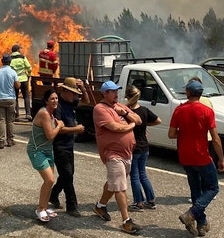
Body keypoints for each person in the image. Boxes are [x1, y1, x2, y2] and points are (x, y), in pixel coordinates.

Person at [169, 80, 224, 237]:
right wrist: (221, 158)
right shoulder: (206, 111)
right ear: (201, 94)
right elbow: (215, 138)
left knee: (195, 189)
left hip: (185, 156)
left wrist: (184, 133)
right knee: (213, 188)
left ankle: (201, 224)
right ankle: (192, 214)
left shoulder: (179, 110)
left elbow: (171, 134)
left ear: (188, 92)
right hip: (201, 156)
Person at [92, 80, 142, 235]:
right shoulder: (100, 109)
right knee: (120, 186)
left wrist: (126, 113)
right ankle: (126, 221)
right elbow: (115, 127)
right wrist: (130, 126)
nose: (116, 94)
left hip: (127, 153)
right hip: (113, 154)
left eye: (117, 91)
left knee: (114, 183)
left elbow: (139, 120)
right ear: (105, 93)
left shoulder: (120, 107)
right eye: (113, 91)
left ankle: (100, 206)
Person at [49, 77, 85, 217]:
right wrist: (76, 129)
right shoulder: (57, 106)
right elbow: (59, 128)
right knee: (68, 176)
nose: (76, 96)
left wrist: (83, 88)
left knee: (67, 175)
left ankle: (53, 194)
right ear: (66, 91)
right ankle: (72, 205)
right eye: (74, 93)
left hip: (69, 145)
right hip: (59, 146)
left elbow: (86, 101)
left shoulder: (71, 101)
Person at [29, 89, 65, 223]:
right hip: (37, 150)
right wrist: (59, 126)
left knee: (50, 181)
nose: (55, 101)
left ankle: (45, 206)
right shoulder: (44, 113)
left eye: (56, 98)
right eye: (52, 99)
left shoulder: (51, 114)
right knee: (49, 180)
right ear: (46, 101)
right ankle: (40, 209)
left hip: (47, 150)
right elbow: (50, 136)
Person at [124, 85, 161, 211]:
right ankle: (150, 200)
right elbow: (158, 121)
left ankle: (138, 202)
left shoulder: (127, 112)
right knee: (143, 174)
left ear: (127, 96)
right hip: (144, 146)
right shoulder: (144, 110)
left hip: (133, 146)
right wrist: (145, 125)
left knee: (134, 176)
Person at [0, 54, 19, 149]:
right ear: (10, 62)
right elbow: (17, 86)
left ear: (2, 61)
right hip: (10, 99)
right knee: (10, 121)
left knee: (1, 121)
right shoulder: (13, 72)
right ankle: (10, 140)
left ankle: (1, 141)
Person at [10, 44, 33, 121]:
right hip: (24, 80)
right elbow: (29, 68)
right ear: (17, 50)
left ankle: (16, 115)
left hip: (15, 81)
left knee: (15, 97)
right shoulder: (23, 57)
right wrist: (28, 75)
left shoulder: (10, 59)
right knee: (26, 96)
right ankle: (28, 114)